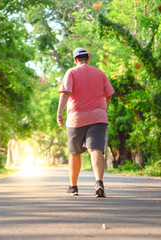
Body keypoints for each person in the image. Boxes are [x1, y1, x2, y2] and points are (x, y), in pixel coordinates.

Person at [57, 47, 114, 197]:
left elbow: (66, 94)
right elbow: (109, 94)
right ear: (88, 58)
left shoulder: (71, 72)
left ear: (75, 60)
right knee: (95, 149)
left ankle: (73, 187)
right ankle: (98, 182)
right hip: (98, 118)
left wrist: (59, 113)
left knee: (75, 153)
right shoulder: (99, 73)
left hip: (76, 118)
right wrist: (103, 106)